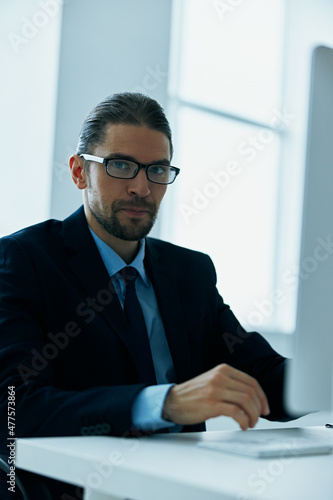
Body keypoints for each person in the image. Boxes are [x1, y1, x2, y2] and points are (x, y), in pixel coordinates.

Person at [0, 93, 291, 499]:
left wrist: (318, 379)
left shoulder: (190, 272)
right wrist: (165, 403)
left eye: (157, 170)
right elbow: (14, 410)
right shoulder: (23, 260)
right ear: (79, 172)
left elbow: (262, 375)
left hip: (182, 486)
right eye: (120, 165)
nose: (141, 187)